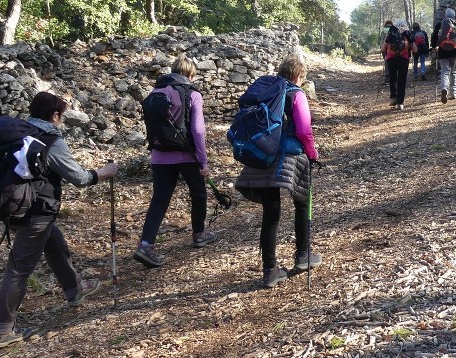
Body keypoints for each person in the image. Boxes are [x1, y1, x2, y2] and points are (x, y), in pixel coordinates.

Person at [0, 92, 117, 349]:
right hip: (36, 210)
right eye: (62, 116)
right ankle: (0, 330)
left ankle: (75, 288)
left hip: (12, 205)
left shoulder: (18, 134)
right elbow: (78, 177)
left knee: (54, 241)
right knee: (19, 268)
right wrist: (103, 172)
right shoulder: (50, 139)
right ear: (55, 115)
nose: (62, 121)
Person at [236, 55, 320, 289]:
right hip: (290, 156)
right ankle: (303, 255)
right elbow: (304, 130)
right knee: (302, 202)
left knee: (271, 212)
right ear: (298, 76)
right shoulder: (296, 95)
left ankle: (270, 270)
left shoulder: (265, 91)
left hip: (261, 153)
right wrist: (312, 153)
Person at [133, 55, 218, 269]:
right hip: (187, 154)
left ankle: (145, 244)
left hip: (160, 154)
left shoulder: (156, 92)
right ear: (190, 74)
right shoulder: (192, 93)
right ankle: (199, 233)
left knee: (160, 200)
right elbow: (198, 130)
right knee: (198, 193)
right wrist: (203, 161)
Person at [432, 8, 456, 104]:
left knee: (445, 72)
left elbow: (434, 38)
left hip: (442, 51)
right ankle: (454, 93)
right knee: (454, 72)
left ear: (445, 15)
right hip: (455, 51)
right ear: (454, 16)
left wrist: (434, 47)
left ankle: (444, 88)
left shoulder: (439, 24)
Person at [384, 18, 412, 110]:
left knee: (393, 78)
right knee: (402, 80)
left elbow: (383, 48)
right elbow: (415, 49)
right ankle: (400, 103)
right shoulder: (407, 33)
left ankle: (393, 98)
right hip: (404, 59)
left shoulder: (391, 33)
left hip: (391, 59)